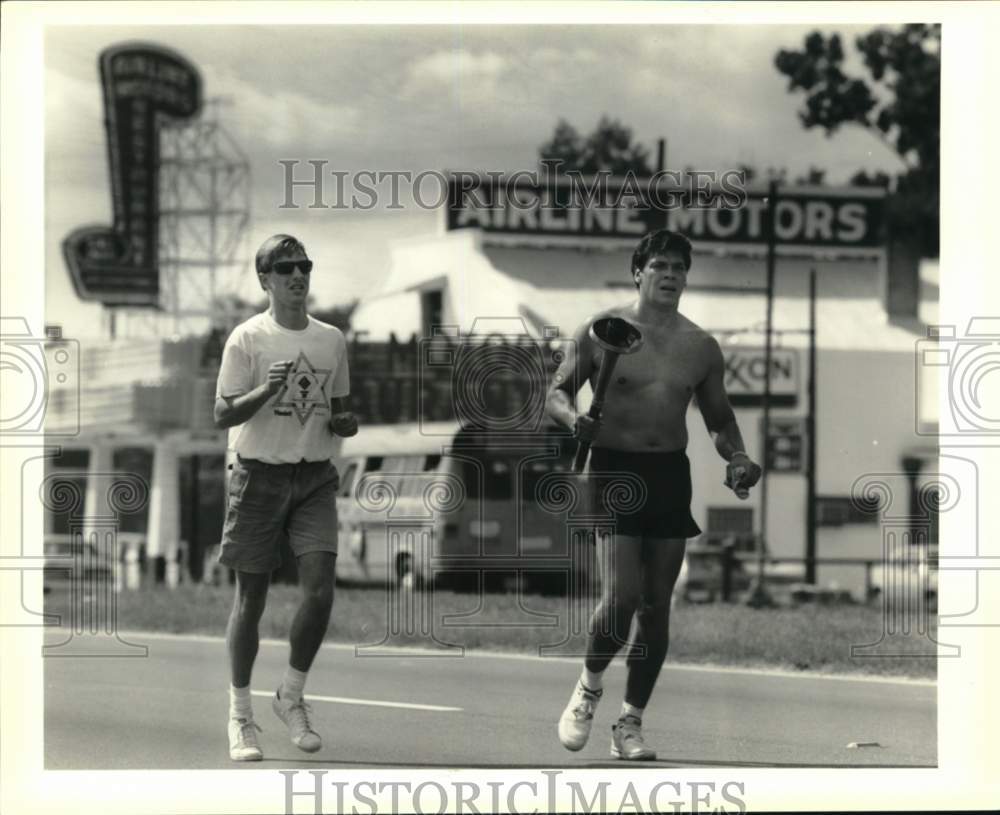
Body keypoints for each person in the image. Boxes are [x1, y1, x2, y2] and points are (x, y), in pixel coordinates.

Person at [546, 228, 761, 761]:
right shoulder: (601, 331)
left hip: (669, 472)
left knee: (655, 607)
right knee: (619, 597)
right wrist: (575, 421)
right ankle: (588, 689)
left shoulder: (700, 346)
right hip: (613, 470)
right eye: (661, 265)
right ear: (638, 271)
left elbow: (719, 418)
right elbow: (555, 393)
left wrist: (735, 456)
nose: (671, 276)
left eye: (680, 268)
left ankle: (630, 723)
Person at [214, 234, 358, 761]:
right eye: (285, 268)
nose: (298, 275)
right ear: (265, 280)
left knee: (320, 590)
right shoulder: (246, 339)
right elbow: (223, 414)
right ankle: (240, 715)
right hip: (257, 475)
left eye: (304, 266)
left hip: (314, 476)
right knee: (251, 599)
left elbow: (342, 408)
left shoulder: (330, 340)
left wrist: (347, 420)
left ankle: (291, 695)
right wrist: (265, 391)